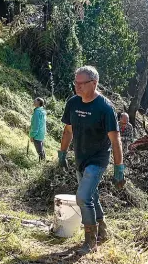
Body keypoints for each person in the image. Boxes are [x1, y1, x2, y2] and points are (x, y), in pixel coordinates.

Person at [58, 65, 125, 255]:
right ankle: (102, 230)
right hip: (81, 157)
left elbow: (115, 139)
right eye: (75, 83)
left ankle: (90, 242)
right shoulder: (73, 103)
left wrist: (119, 167)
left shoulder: (105, 107)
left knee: (83, 197)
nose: (77, 87)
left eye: (81, 83)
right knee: (92, 196)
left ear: (93, 84)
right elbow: (68, 130)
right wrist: (62, 152)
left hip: (98, 159)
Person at [30, 97, 46, 161]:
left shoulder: (37, 112)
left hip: (37, 134)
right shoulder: (42, 111)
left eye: (35, 100)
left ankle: (42, 163)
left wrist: (32, 135)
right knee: (41, 149)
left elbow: (36, 125)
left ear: (39, 103)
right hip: (42, 133)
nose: (34, 101)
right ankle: (44, 161)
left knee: (39, 151)